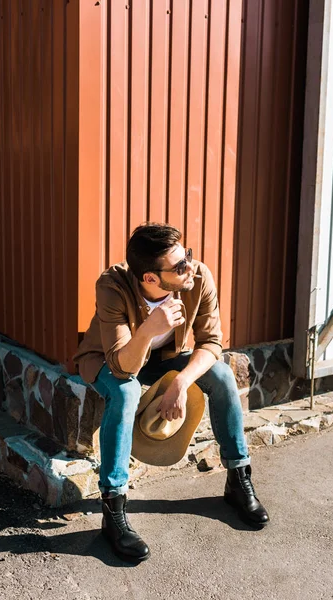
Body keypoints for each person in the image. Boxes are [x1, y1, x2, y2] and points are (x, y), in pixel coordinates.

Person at [73, 222, 269, 563]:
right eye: (179, 266)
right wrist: (150, 328)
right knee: (125, 393)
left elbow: (211, 343)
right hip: (111, 359)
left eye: (187, 256)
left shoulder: (198, 278)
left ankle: (238, 479)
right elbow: (122, 367)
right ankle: (113, 508)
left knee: (221, 376)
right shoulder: (112, 286)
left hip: (164, 359)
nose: (189, 267)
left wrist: (181, 382)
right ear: (150, 278)